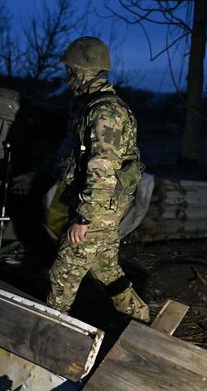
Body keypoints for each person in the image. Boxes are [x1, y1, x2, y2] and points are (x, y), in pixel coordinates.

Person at [45, 36, 150, 321]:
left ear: (84, 71)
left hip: (98, 209)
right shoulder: (95, 107)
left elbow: (102, 169)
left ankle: (48, 334)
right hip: (104, 206)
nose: (69, 81)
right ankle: (143, 323)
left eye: (71, 73)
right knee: (106, 271)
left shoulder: (105, 112)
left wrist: (84, 218)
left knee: (62, 276)